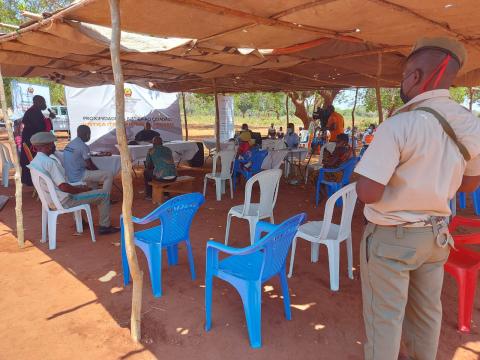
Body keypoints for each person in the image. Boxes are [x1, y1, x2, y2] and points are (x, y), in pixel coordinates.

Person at [354, 37, 480, 360]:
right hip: (436, 237)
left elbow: (368, 192)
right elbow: (469, 184)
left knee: (386, 321)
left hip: (390, 240)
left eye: (405, 75)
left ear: (415, 76)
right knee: (426, 318)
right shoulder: (470, 125)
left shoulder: (400, 124)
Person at [29, 132, 119, 235]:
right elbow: (64, 187)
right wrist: (83, 190)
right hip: (65, 201)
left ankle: (81, 221)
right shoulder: (50, 162)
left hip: (50, 200)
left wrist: (79, 188)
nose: (54, 146)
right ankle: (105, 226)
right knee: (104, 195)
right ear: (48, 146)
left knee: (80, 188)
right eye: (53, 144)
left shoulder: (35, 161)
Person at [63, 125, 113, 196]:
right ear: (87, 134)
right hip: (79, 176)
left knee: (93, 175)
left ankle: (95, 196)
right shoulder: (83, 146)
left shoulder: (70, 144)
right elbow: (90, 165)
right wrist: (99, 172)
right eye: (89, 134)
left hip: (69, 175)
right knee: (108, 174)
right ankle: (105, 197)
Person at [20, 95, 55, 185]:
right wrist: (49, 119)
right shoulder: (34, 112)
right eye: (43, 102)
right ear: (37, 102)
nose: (45, 104)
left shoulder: (35, 111)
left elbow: (40, 125)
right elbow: (40, 128)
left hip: (32, 140)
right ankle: (35, 181)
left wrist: (49, 119)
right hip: (32, 142)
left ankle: (31, 180)